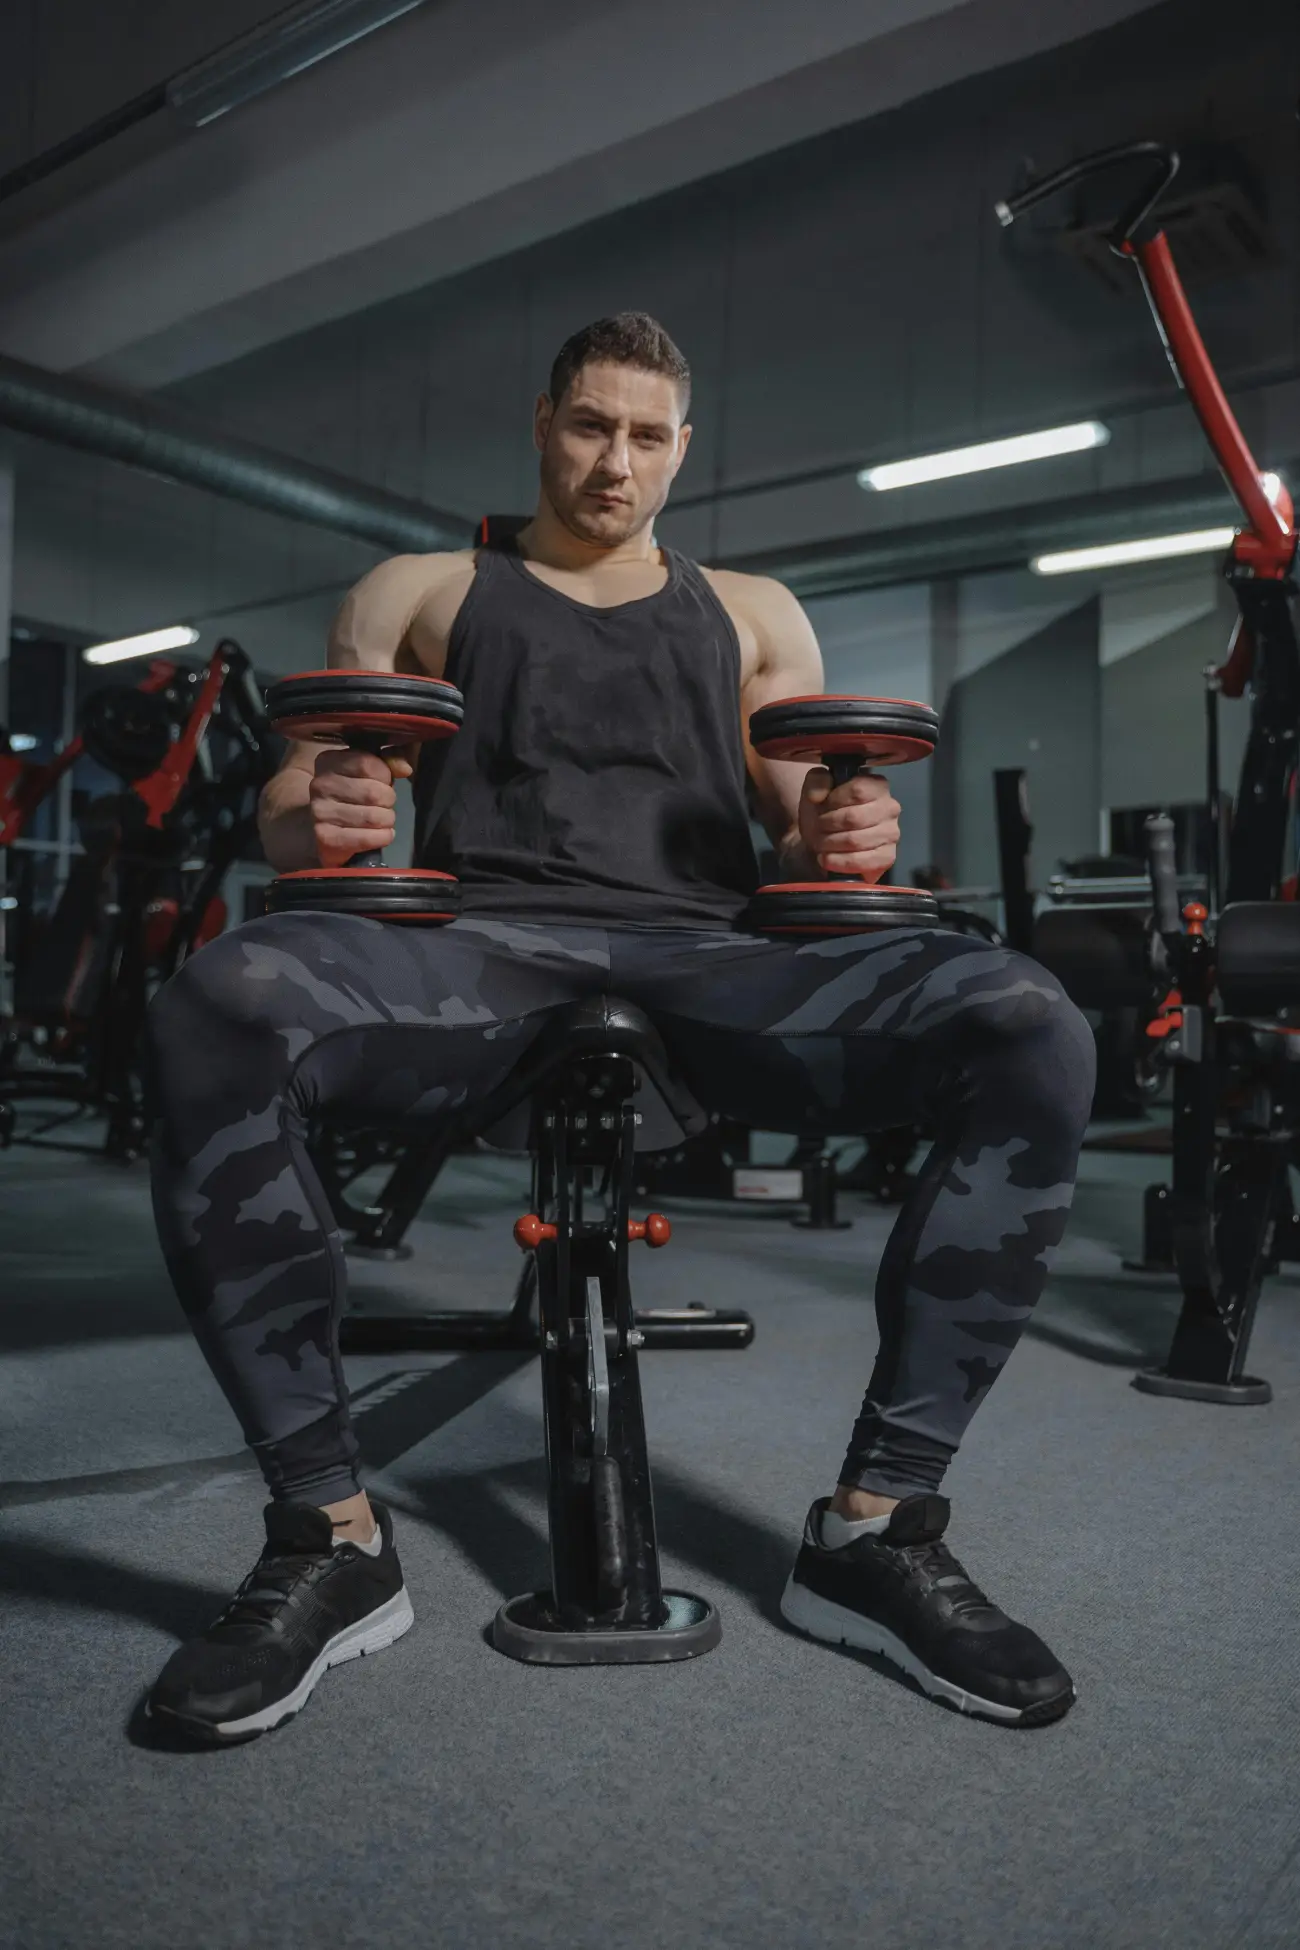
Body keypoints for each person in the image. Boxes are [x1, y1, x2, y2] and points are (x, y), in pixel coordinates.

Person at [144, 312, 1094, 1743]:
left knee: (1028, 1017)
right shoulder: (424, 586)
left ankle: (876, 1527)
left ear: (684, 452)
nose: (618, 462)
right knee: (221, 1000)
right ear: (543, 423)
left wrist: (849, 828)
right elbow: (303, 786)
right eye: (593, 426)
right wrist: (322, 809)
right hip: (477, 951)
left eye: (649, 437)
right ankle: (326, 1533)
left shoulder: (755, 611)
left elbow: (808, 824)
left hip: (712, 959)